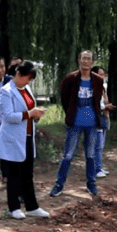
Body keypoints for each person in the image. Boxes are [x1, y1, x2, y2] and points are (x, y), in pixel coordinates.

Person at [0, 61, 49, 219]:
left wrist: (35, 113)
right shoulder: (6, 91)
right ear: (18, 74)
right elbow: (8, 116)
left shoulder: (26, 88)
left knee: (27, 173)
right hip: (13, 137)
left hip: (27, 136)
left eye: (30, 80)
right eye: (27, 78)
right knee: (14, 174)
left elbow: (30, 107)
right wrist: (29, 114)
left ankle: (32, 206)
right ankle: (14, 207)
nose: (28, 82)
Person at [49, 50, 104, 197]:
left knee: (91, 154)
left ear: (92, 62)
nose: (86, 61)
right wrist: (70, 114)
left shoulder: (98, 80)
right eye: (83, 59)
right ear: (78, 60)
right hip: (75, 122)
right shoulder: (70, 79)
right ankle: (59, 184)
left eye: (89, 59)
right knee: (68, 154)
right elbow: (65, 99)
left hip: (92, 122)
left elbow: (98, 100)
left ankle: (91, 184)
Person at [90, 65, 116, 178]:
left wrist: (106, 107)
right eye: (100, 74)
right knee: (97, 145)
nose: (102, 76)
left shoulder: (101, 87)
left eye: (103, 74)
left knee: (101, 145)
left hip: (102, 118)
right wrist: (104, 106)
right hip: (95, 119)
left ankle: (99, 167)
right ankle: (96, 169)